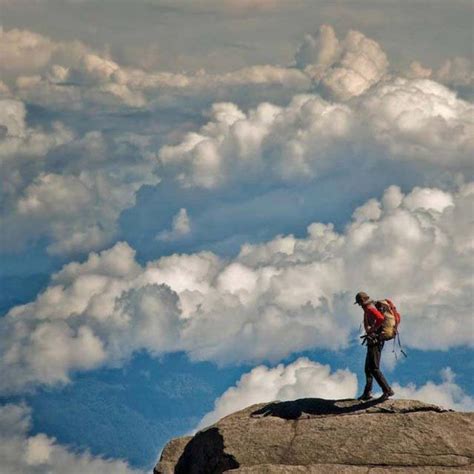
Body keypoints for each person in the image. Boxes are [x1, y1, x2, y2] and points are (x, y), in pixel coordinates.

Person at [355, 291, 394, 401]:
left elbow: (380, 319)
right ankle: (367, 392)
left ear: (361, 302)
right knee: (368, 368)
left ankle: (387, 390)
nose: (359, 305)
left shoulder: (370, 309)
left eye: (359, 303)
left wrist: (372, 329)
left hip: (375, 340)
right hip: (373, 340)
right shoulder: (369, 308)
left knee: (374, 368)